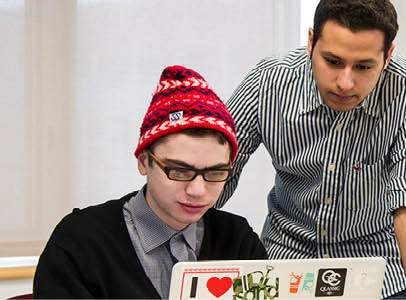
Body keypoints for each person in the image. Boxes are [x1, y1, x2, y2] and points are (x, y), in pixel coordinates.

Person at [217, 0, 406, 298]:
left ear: (388, 56)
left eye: (363, 67)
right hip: (287, 262)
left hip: (378, 268)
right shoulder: (270, 81)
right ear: (311, 42)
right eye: (333, 62)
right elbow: (215, 170)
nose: (344, 83)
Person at [33, 66, 267, 299]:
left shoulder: (238, 241)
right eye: (179, 170)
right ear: (144, 162)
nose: (197, 190)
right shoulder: (81, 243)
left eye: (215, 173)